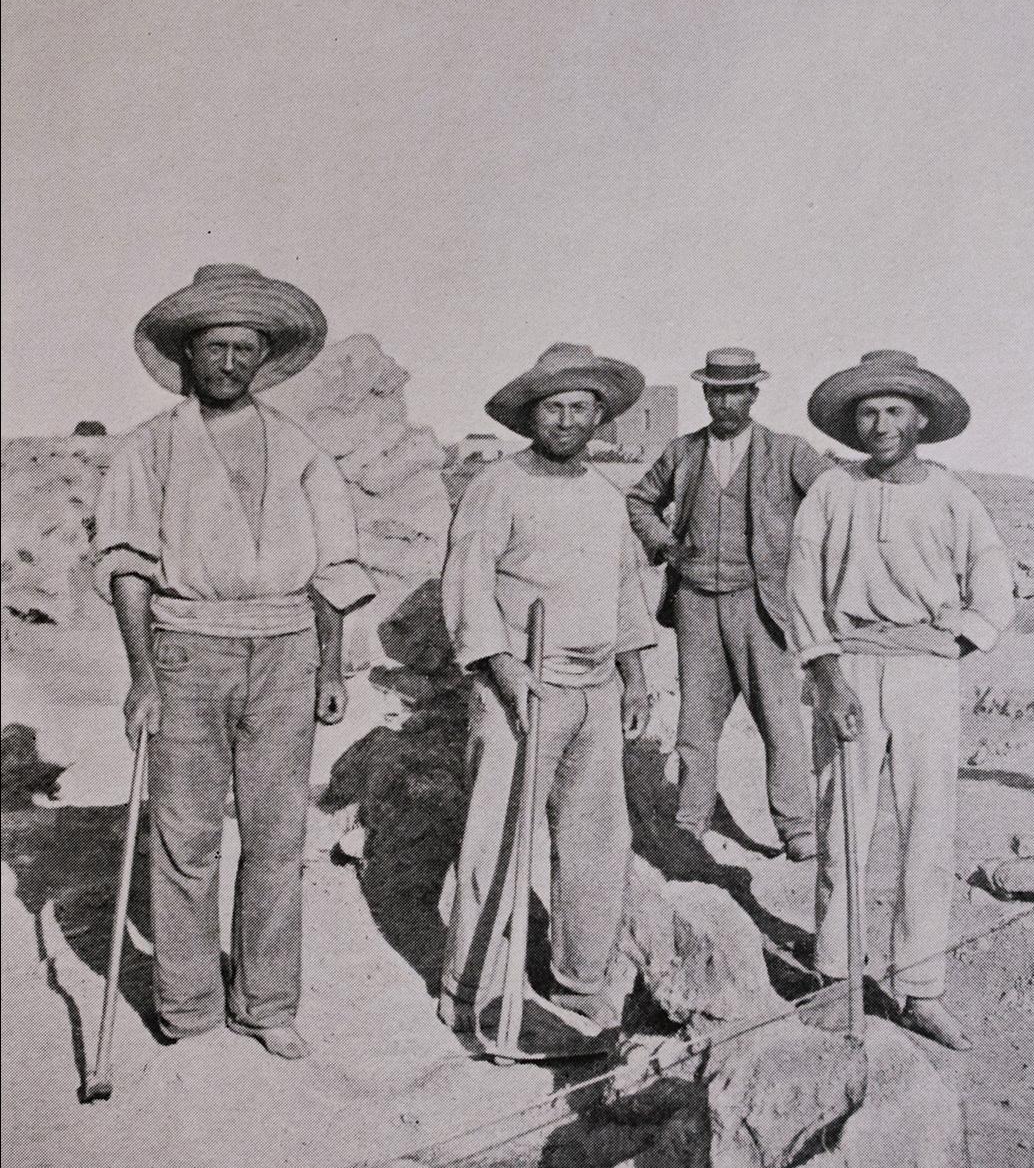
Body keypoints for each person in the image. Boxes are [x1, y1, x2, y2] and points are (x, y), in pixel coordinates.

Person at [94, 264, 375, 1058]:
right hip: (187, 648)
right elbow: (125, 567)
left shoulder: (299, 449)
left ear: (263, 356)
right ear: (189, 353)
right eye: (214, 347)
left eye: (243, 349)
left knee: (277, 834)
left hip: (285, 650)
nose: (228, 363)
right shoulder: (151, 447)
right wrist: (143, 675)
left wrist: (328, 670)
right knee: (184, 834)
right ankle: (185, 1004)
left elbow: (334, 570)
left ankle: (266, 1001)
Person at [787, 351, 1015, 1050]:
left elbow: (994, 581)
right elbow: (800, 585)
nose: (880, 423)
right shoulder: (832, 490)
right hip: (848, 667)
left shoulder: (952, 495)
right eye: (867, 412)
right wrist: (828, 678)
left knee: (927, 828)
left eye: (893, 411)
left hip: (925, 672)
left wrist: (957, 645)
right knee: (841, 826)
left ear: (919, 419)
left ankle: (919, 989)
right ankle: (834, 976)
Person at [439, 343, 656, 1036]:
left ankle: (580, 982)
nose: (566, 420)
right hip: (521, 686)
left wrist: (637, 676)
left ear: (600, 416)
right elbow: (467, 581)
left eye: (580, 408)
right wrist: (503, 671)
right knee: (496, 839)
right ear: (532, 414)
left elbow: (623, 588)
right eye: (553, 407)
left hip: (595, 689)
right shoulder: (497, 486)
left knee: (595, 841)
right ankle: (469, 987)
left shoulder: (603, 496)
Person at [627, 347, 827, 860]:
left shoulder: (787, 451)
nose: (725, 401)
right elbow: (639, 500)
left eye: (736, 391)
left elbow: (835, 502)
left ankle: (798, 828)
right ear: (705, 393)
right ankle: (689, 824)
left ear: (754, 393)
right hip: (695, 602)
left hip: (763, 606)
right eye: (716, 391)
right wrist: (665, 544)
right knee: (696, 724)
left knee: (779, 720)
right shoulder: (683, 451)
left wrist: (808, 563)